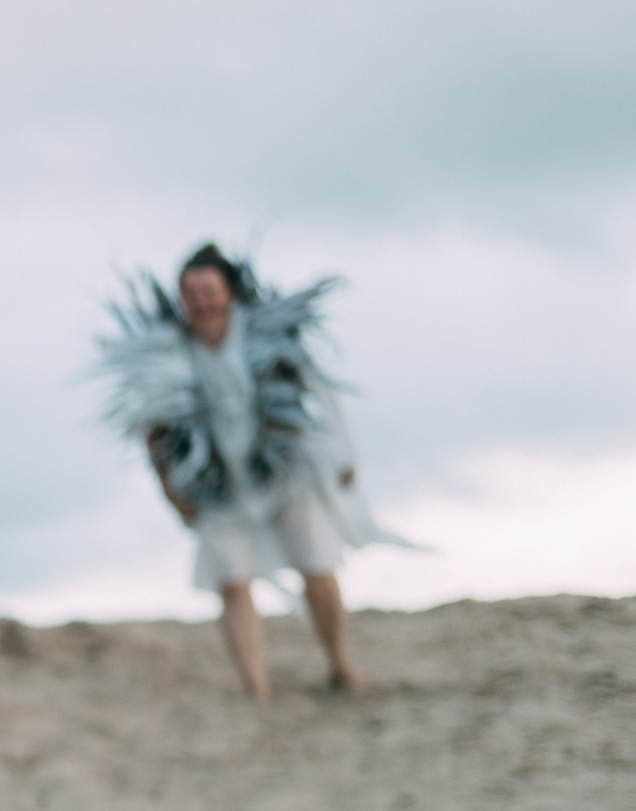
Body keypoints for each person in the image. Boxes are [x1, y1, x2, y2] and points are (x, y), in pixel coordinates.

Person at [99, 243, 408, 700]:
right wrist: (171, 492)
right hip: (217, 487)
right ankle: (255, 690)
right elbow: (155, 430)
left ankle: (341, 667)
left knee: (318, 567)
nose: (200, 302)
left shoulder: (268, 337)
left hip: (287, 472)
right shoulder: (166, 354)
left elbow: (323, 394)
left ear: (230, 293)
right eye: (190, 293)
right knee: (232, 582)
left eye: (208, 291)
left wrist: (343, 458)